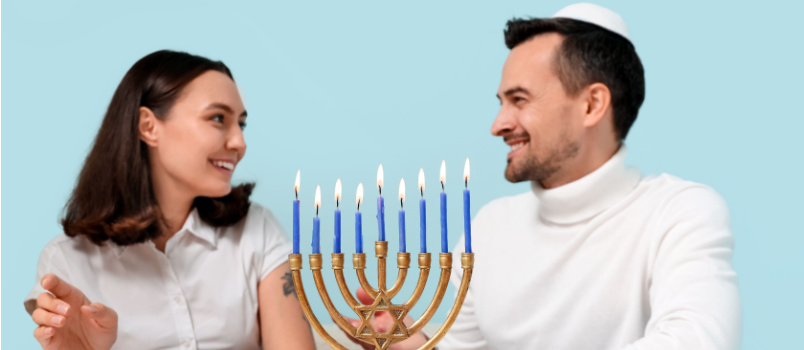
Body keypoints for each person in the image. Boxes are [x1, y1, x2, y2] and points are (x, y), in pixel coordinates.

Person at [353, 3, 741, 349]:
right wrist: (420, 347)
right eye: (502, 103)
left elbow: (697, 340)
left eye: (519, 100)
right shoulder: (489, 228)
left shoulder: (678, 212)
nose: (498, 125)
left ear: (591, 105)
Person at [24, 50, 316, 350]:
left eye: (240, 124)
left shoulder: (257, 230)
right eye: (218, 118)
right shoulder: (67, 261)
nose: (239, 143)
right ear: (149, 127)